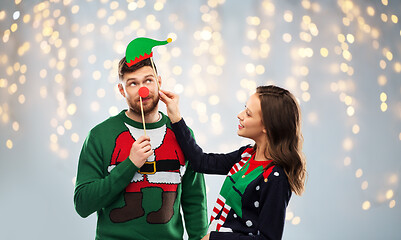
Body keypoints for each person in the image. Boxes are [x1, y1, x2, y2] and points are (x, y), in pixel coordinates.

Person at [74, 57, 208, 240]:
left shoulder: (182, 134)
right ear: (122, 90)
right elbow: (83, 204)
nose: (142, 90)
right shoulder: (99, 136)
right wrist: (130, 164)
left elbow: (195, 200)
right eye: (133, 83)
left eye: (148, 81)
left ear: (159, 82)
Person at [159, 85, 307, 240]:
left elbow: (268, 238)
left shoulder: (275, 178)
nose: (240, 115)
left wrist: (214, 238)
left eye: (248, 114)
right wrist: (176, 117)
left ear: (267, 127)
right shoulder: (246, 156)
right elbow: (200, 162)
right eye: (244, 109)